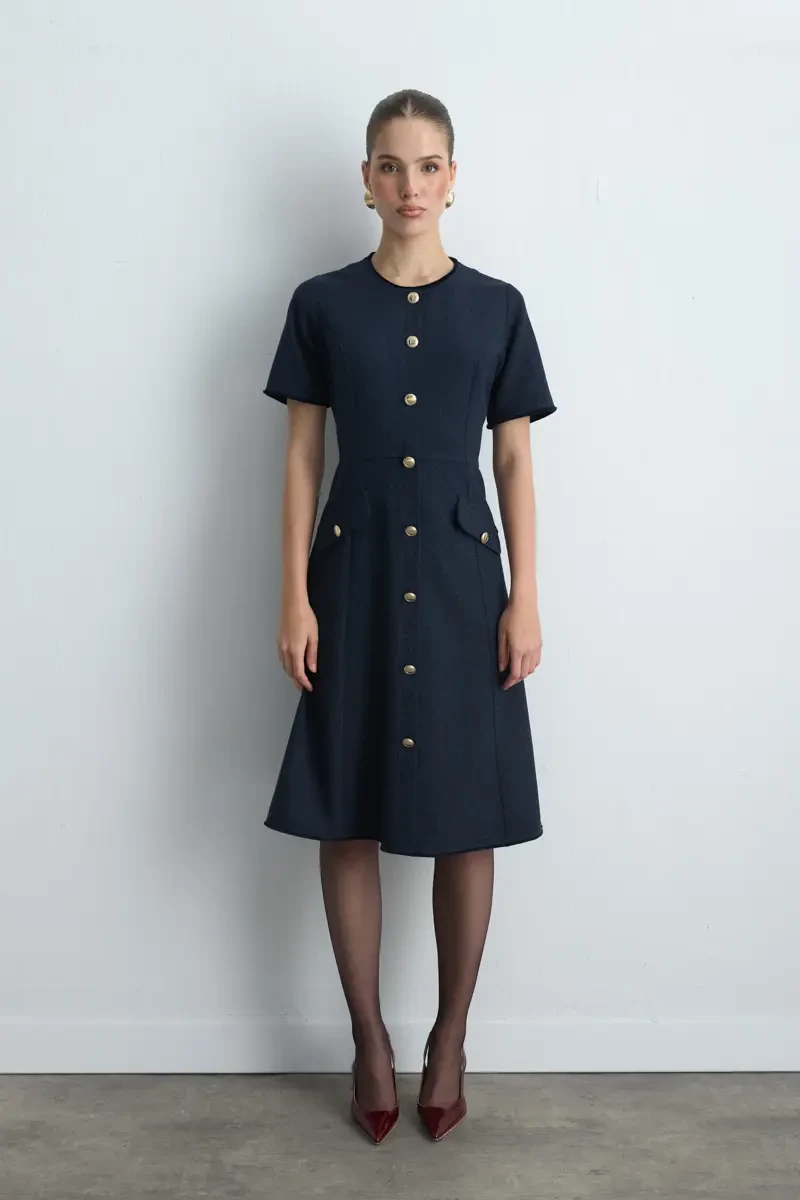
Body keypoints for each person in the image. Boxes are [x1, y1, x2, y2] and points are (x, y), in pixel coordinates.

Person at [262, 89, 557, 1144]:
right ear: (365, 179)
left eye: (427, 166)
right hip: (351, 581)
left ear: (452, 177)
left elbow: (513, 458)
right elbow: (302, 454)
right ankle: (368, 1043)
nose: (409, 186)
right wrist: (293, 592)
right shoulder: (321, 304)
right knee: (346, 808)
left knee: (464, 817)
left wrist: (525, 595)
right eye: (390, 165)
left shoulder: (497, 307)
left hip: (464, 590)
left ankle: (450, 1039)